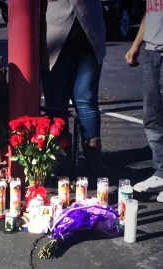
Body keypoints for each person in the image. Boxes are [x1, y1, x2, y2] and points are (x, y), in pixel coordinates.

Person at [40, 0, 111, 177]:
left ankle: (93, 156)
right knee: (56, 104)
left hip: (88, 37)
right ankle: (60, 157)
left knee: (86, 102)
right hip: (53, 36)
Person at [125, 3, 163, 203]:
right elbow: (150, 13)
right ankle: (160, 172)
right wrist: (136, 45)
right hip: (152, 52)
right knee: (153, 117)